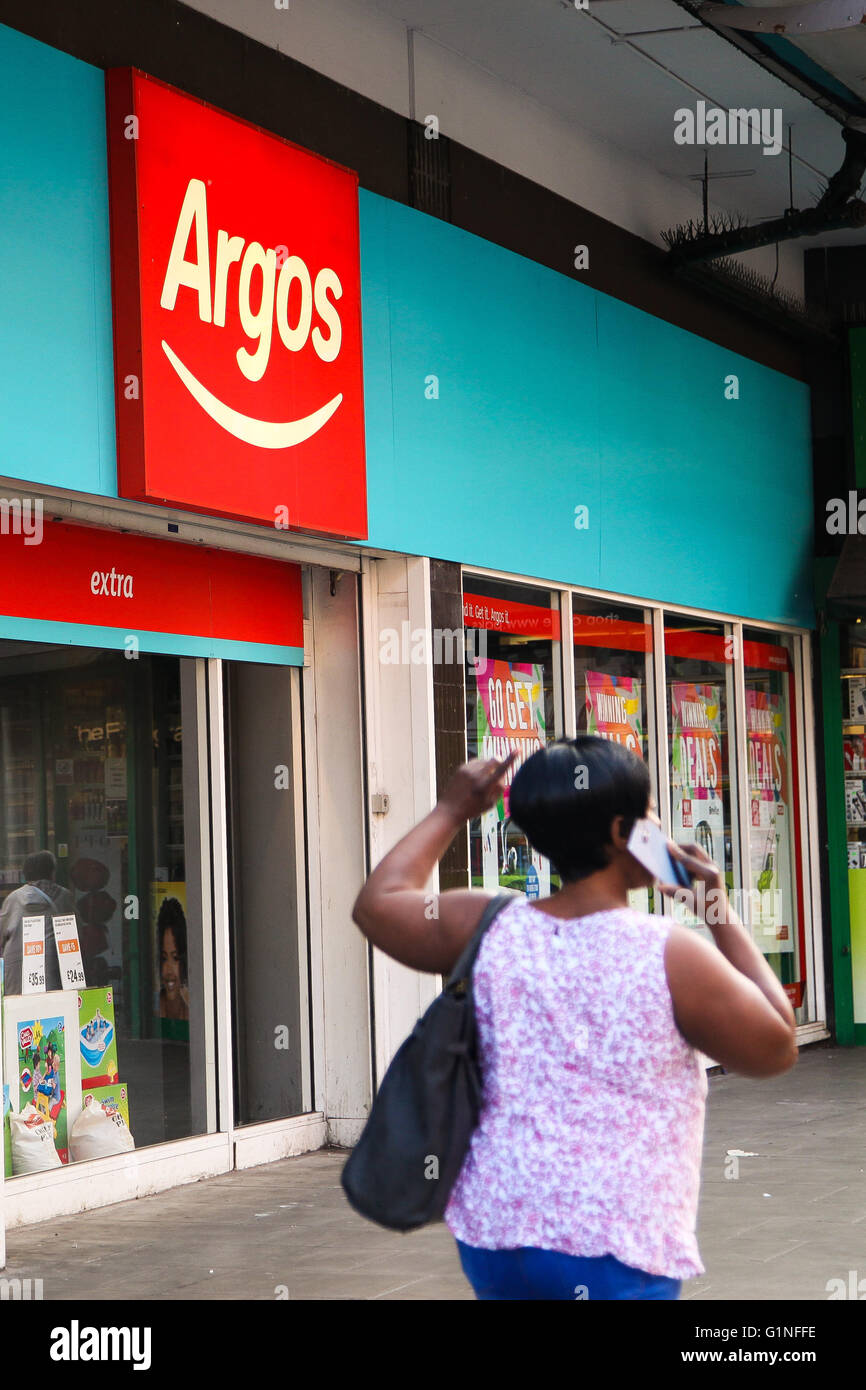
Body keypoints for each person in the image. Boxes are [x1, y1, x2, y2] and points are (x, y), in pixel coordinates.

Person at [351, 738, 797, 1301]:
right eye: (649, 815)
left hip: (497, 1234)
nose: (658, 829)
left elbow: (378, 901)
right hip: (614, 1242)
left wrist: (452, 809)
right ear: (620, 833)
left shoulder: (487, 924)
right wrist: (717, 909)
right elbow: (776, 1046)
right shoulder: (671, 954)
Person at [0, 851, 77, 995]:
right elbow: (76, 937)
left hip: (16, 978)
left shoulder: (13, 899)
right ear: (52, 873)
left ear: (25, 874)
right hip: (55, 977)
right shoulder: (65, 897)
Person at [158, 898, 189, 1020]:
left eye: (175, 958)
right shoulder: (152, 1009)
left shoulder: (197, 1009)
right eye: (164, 958)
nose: (169, 970)